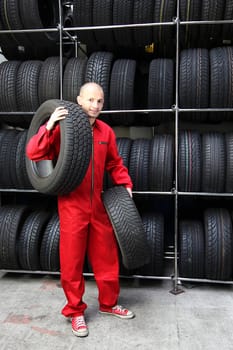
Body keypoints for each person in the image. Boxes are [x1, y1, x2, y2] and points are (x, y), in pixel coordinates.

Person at [26, 82, 135, 338]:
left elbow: (114, 163)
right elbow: (34, 152)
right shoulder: (64, 129)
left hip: (98, 205)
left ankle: (108, 304)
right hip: (72, 204)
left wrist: (125, 184)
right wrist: (49, 125)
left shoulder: (106, 132)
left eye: (99, 102)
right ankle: (75, 311)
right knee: (72, 262)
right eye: (89, 100)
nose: (94, 106)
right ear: (78, 100)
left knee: (107, 258)